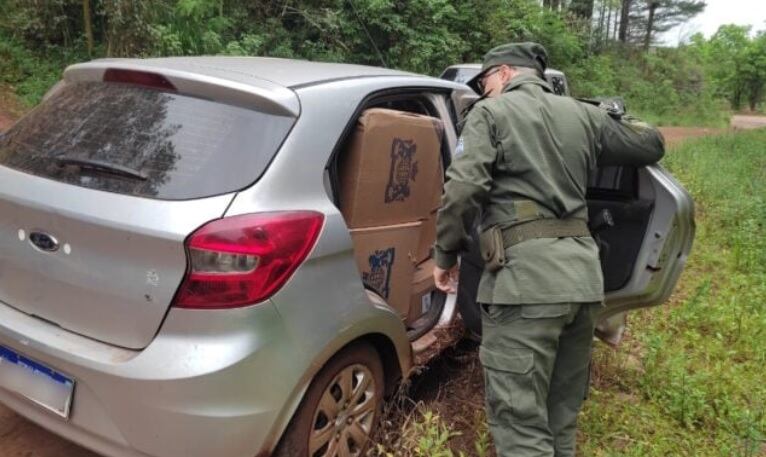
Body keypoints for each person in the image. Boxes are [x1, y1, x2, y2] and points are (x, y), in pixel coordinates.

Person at [432, 42, 665, 456]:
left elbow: (462, 191)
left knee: (520, 426)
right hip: (582, 284)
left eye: (485, 82)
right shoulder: (585, 115)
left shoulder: (490, 113)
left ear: (503, 73)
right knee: (560, 417)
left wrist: (445, 256)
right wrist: (610, 112)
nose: (484, 91)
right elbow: (651, 144)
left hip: (525, 286)